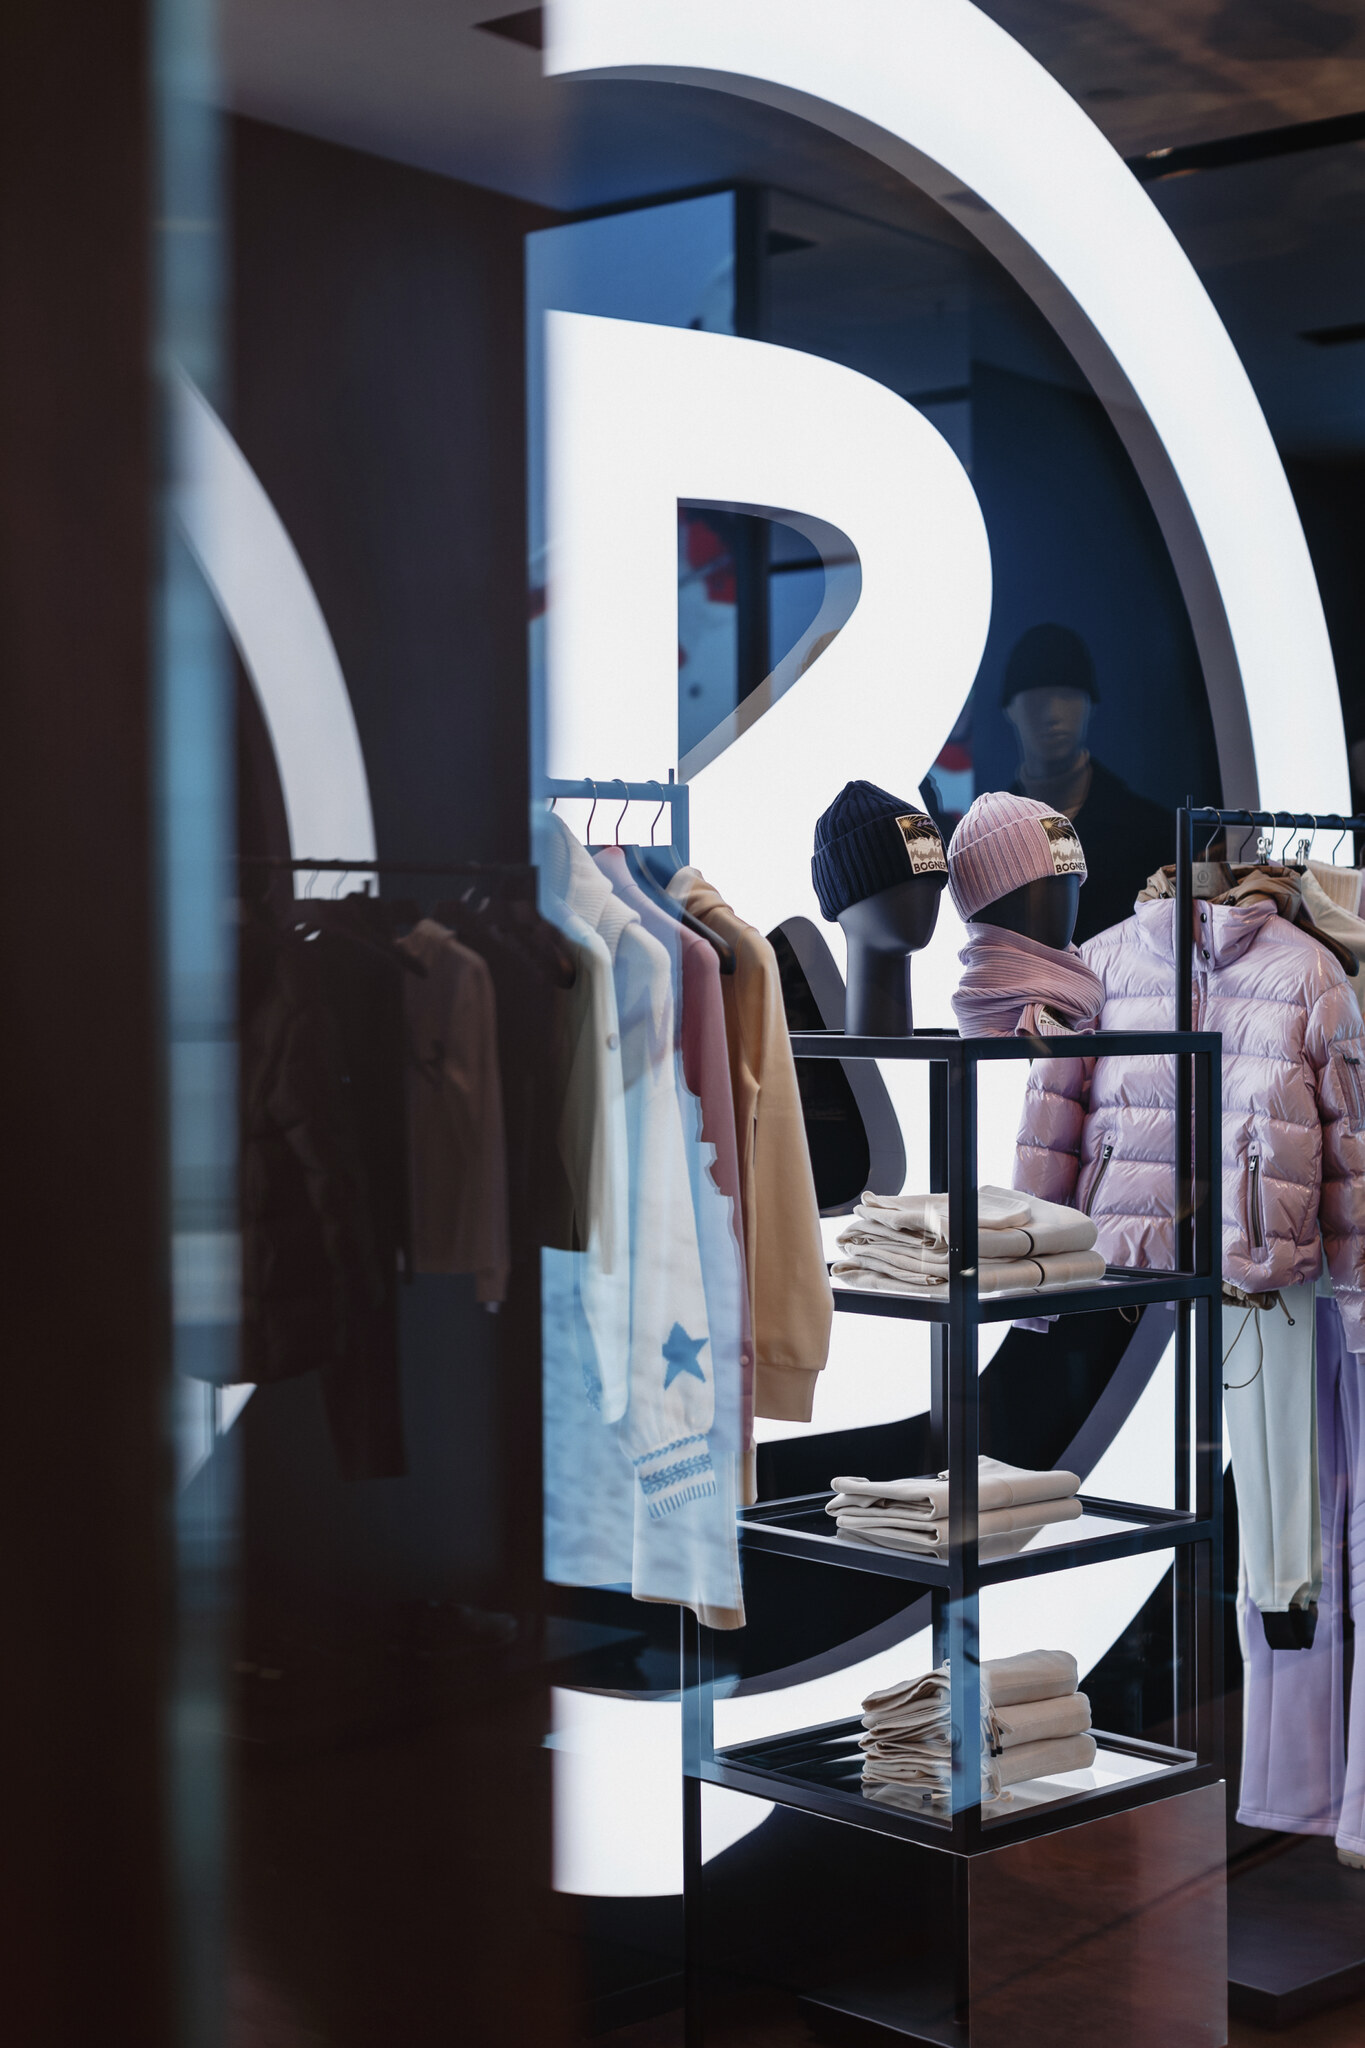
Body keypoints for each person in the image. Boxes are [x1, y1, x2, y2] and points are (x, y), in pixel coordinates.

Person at [1002, 623, 1174, 944]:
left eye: (1067, 696)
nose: (1052, 713)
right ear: (1011, 709)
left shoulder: (1152, 834)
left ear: (1090, 705)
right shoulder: (989, 837)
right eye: (1037, 698)